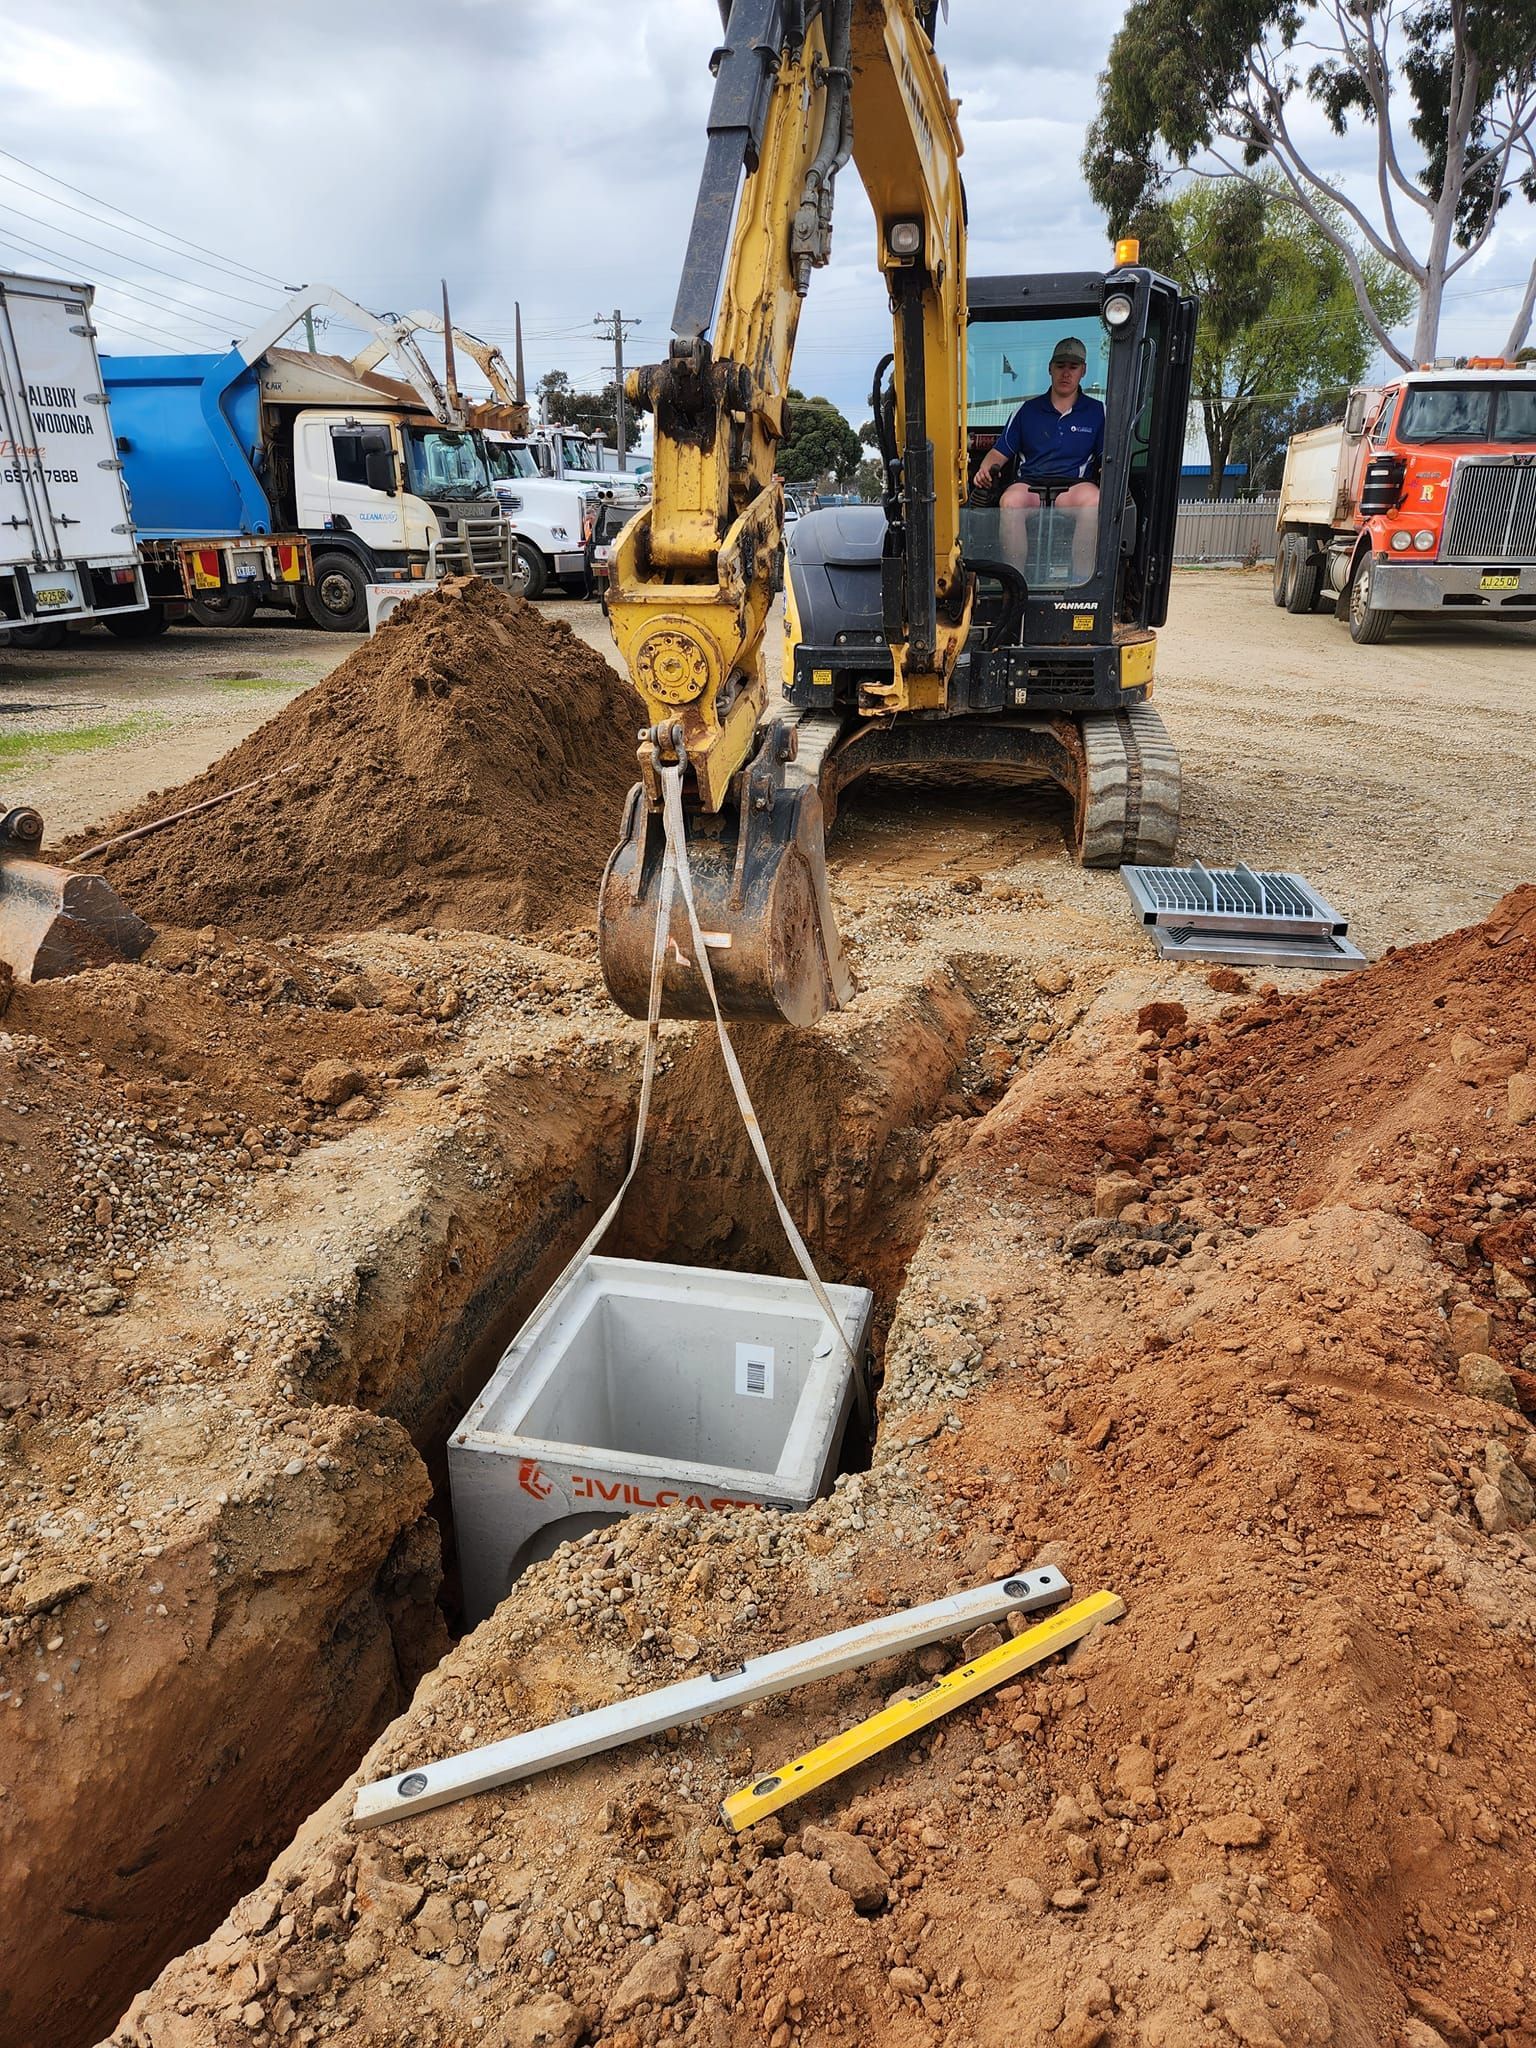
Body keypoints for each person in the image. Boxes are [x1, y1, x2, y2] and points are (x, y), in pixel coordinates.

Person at [973, 336, 1104, 576]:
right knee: (1010, 502)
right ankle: (1015, 583)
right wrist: (984, 470)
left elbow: (1107, 457)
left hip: (1073, 488)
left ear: (1083, 371)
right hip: (1031, 486)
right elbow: (998, 453)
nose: (1066, 373)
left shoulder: (1097, 412)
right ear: (1050, 369)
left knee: (1095, 501)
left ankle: (1082, 582)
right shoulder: (1027, 411)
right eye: (1060, 366)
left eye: (1073, 367)